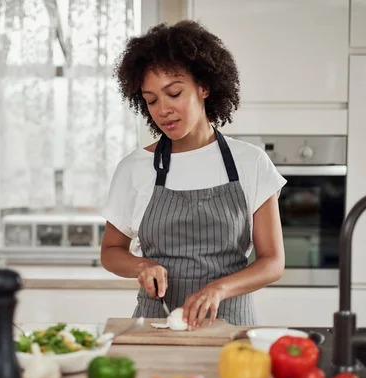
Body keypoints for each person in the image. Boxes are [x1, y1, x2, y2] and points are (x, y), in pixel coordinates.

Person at [100, 20, 286, 330]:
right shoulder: (135, 167)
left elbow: (272, 262)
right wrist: (141, 266)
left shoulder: (251, 162)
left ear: (204, 86)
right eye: (152, 100)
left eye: (174, 93)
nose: (163, 110)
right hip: (156, 324)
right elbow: (110, 251)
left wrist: (218, 289)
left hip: (229, 324)